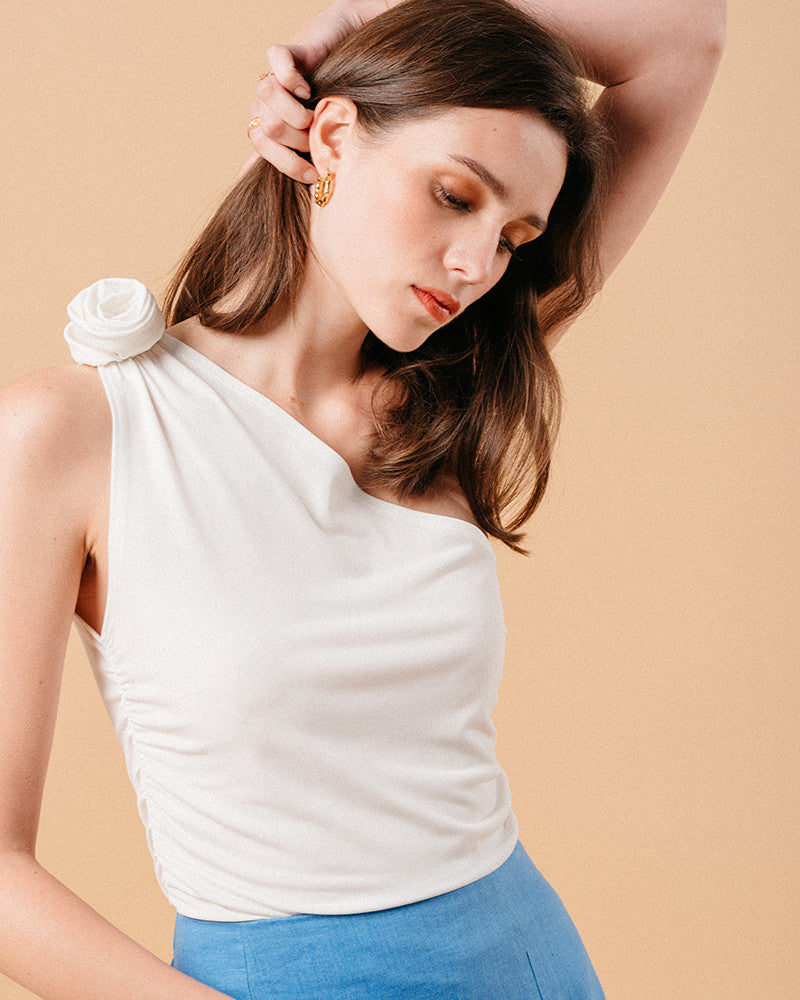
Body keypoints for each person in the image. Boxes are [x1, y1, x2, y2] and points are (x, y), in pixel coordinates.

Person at [0, 0, 724, 998]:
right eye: (453, 195)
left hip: (530, 961)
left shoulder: (452, 392)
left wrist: (362, 13)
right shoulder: (74, 430)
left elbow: (684, 36)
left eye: (513, 238)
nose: (476, 265)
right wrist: (359, 46)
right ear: (332, 136)